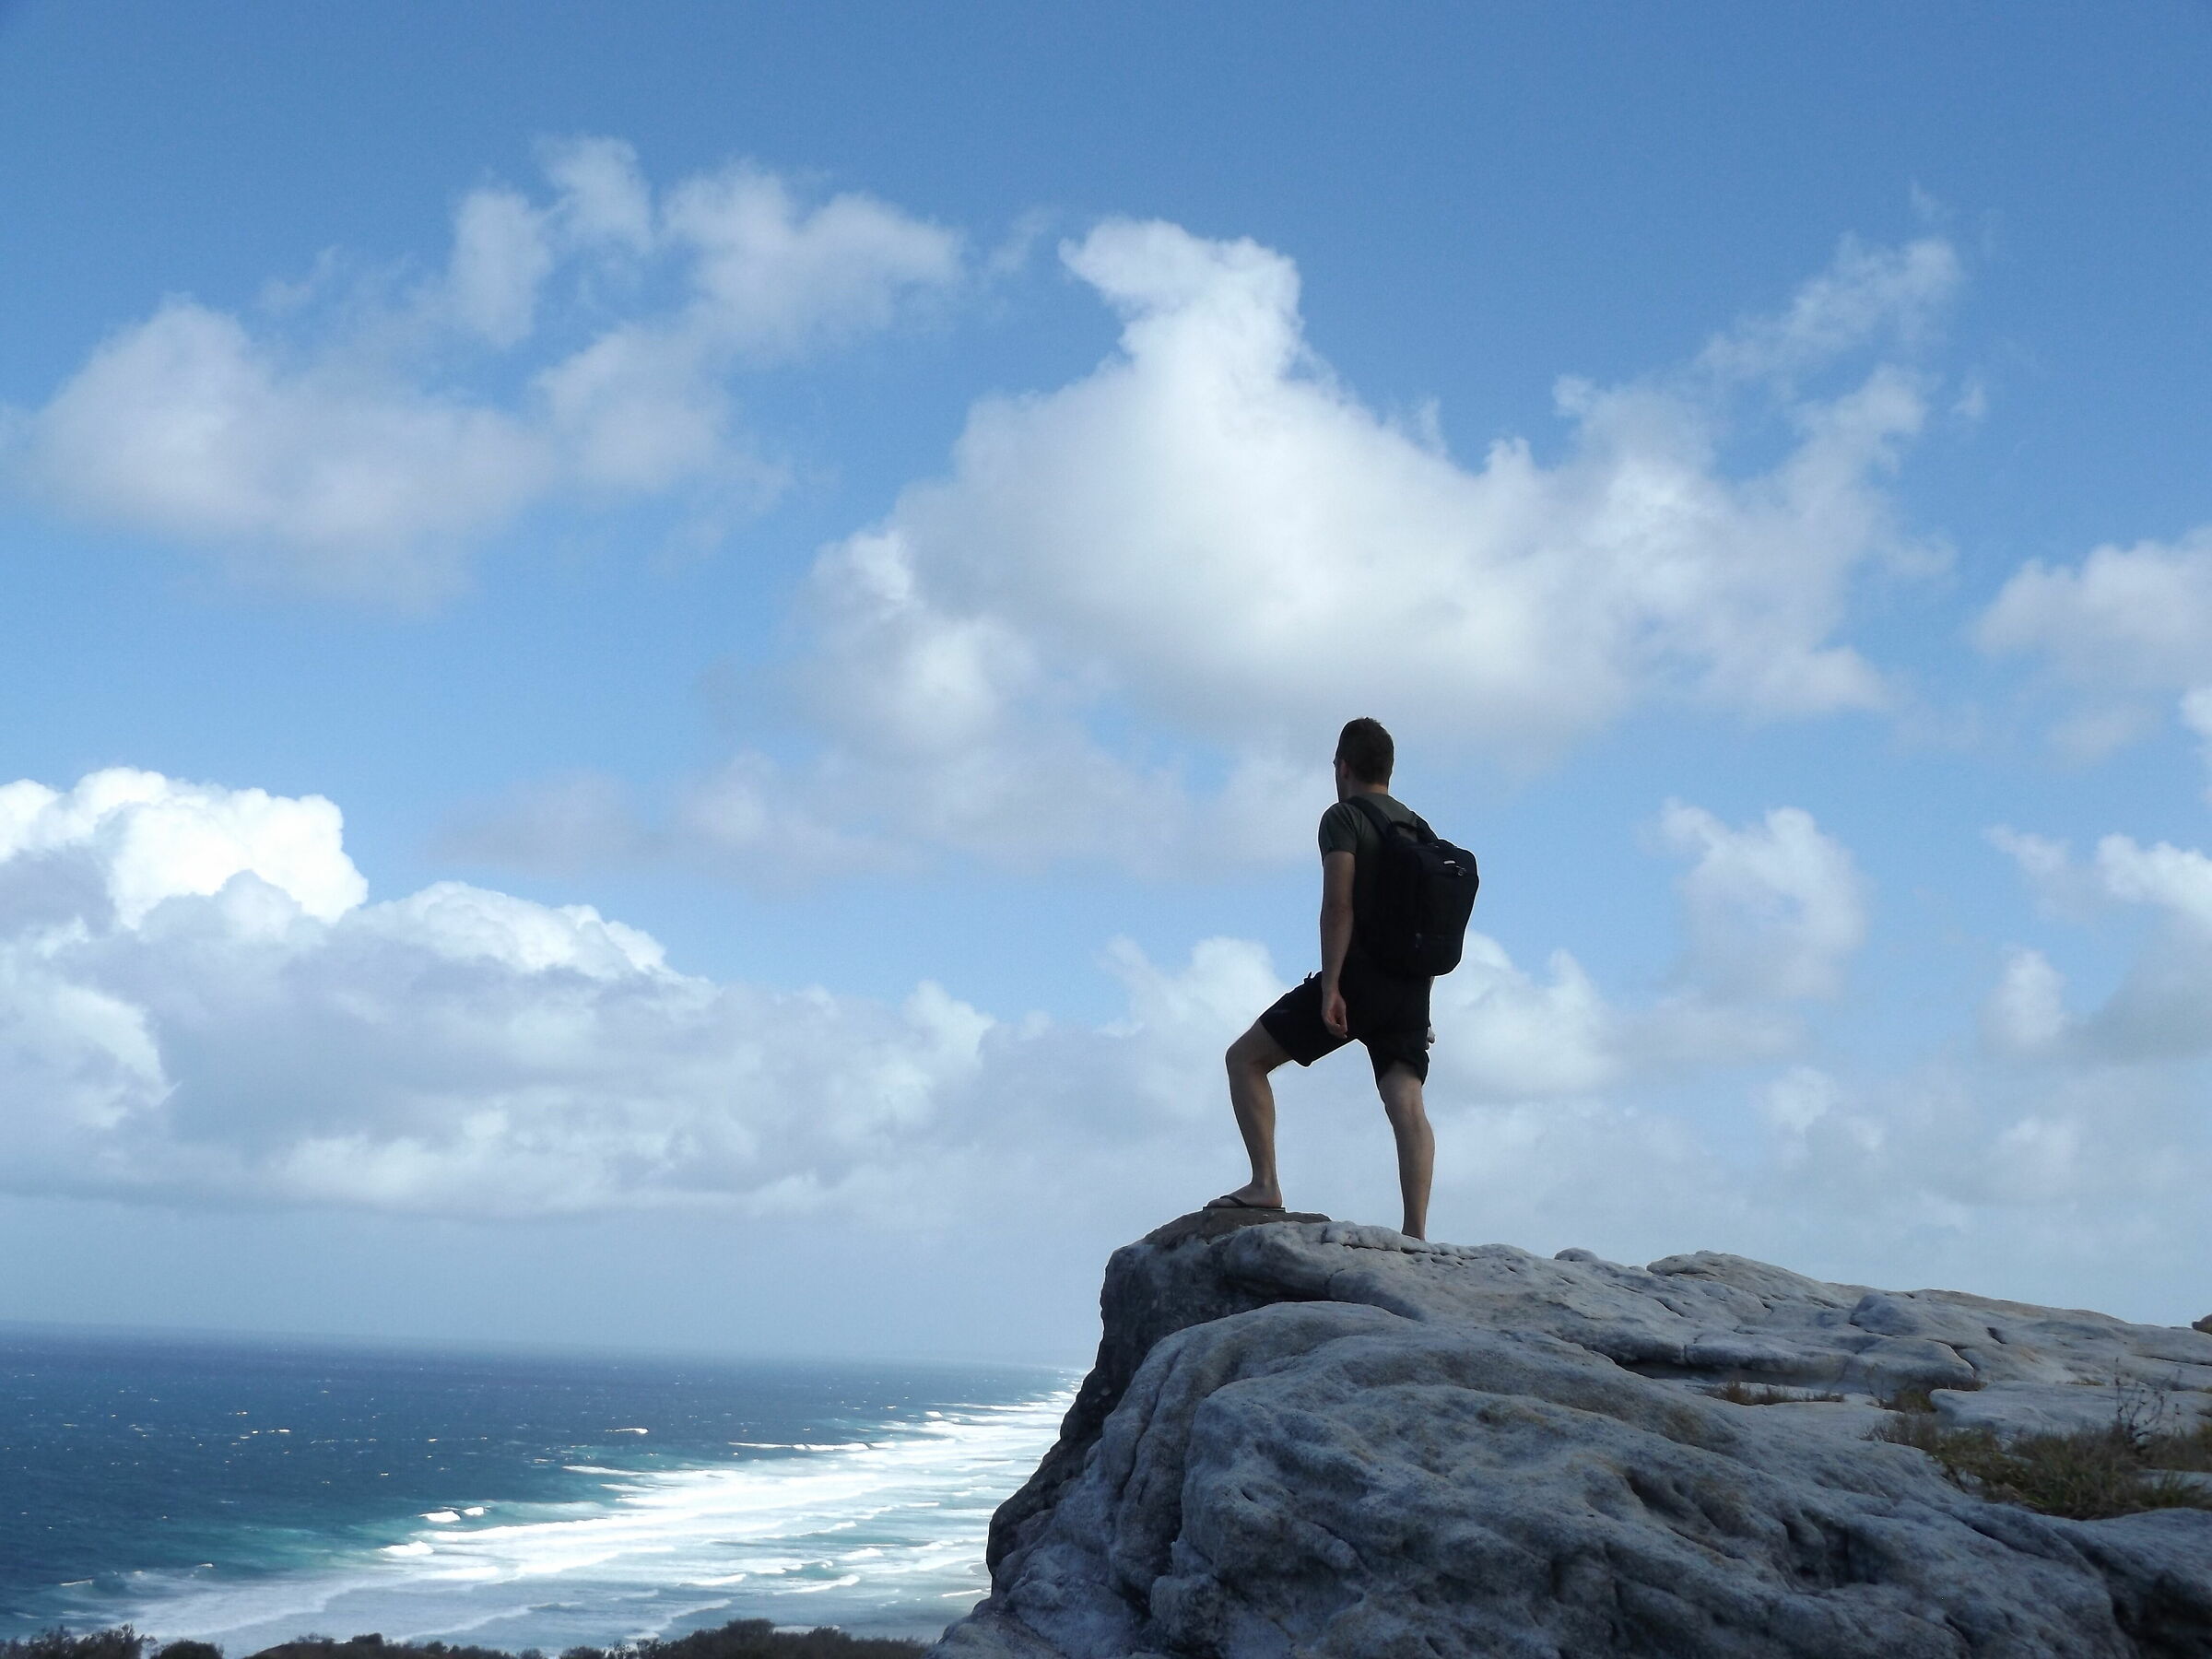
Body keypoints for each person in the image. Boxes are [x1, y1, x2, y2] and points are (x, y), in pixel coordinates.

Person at [1208, 717, 1437, 1239]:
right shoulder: (1420, 829)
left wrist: (1331, 985)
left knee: (1244, 1059)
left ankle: (1265, 1183)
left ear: (1344, 767)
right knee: (1407, 1101)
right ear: (1390, 769)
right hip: (1410, 987)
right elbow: (1431, 925)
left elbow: (1338, 904)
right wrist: (1422, 1002)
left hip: (1360, 978)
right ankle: (1416, 1234)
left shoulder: (1343, 818)